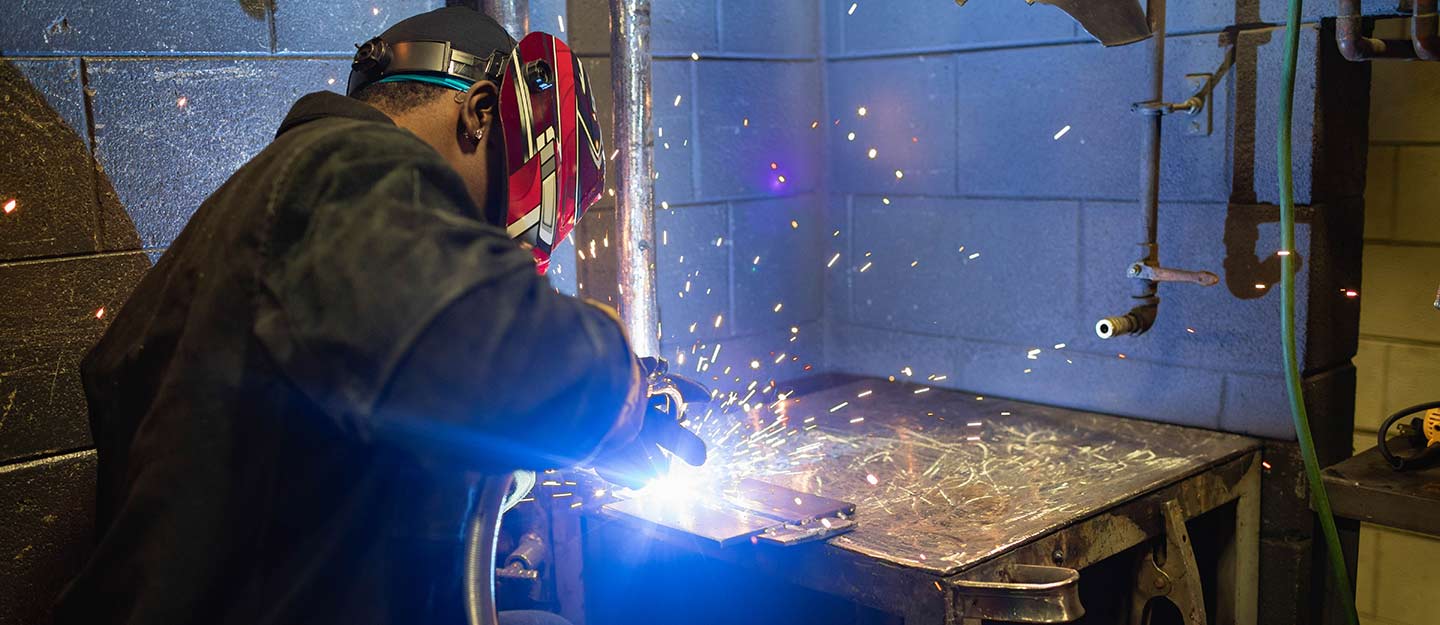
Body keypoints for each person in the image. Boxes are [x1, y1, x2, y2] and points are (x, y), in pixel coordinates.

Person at [52, 7, 703, 625]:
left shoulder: (276, 208)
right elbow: (516, 360)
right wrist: (622, 380)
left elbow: (367, 424)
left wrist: (533, 467)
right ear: (479, 114)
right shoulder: (351, 167)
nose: (479, 239)